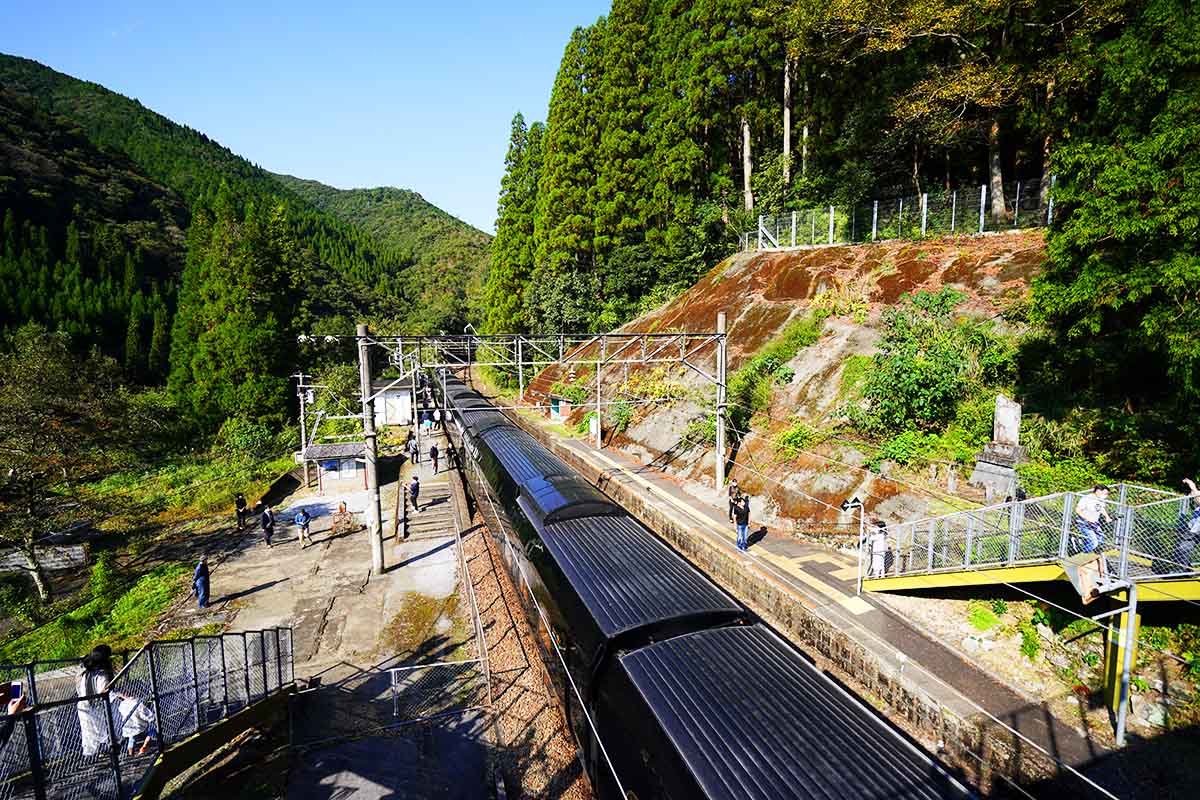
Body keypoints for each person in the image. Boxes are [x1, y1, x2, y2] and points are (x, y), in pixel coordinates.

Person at [77, 645, 115, 757]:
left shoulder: (85, 672)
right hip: (94, 705)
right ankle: (103, 749)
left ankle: (91, 753)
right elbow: (103, 691)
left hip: (83, 704)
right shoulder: (102, 674)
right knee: (100, 728)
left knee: (89, 731)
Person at [1073, 485, 1111, 554]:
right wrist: (1088, 519)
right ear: (1098, 491)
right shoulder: (1087, 498)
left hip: (1094, 523)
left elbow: (1101, 508)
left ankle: (1081, 542)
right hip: (1084, 523)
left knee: (1101, 538)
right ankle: (1083, 553)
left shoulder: (1100, 500)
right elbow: (1078, 510)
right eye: (1105, 493)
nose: (1106, 495)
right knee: (1094, 543)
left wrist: (1107, 516)